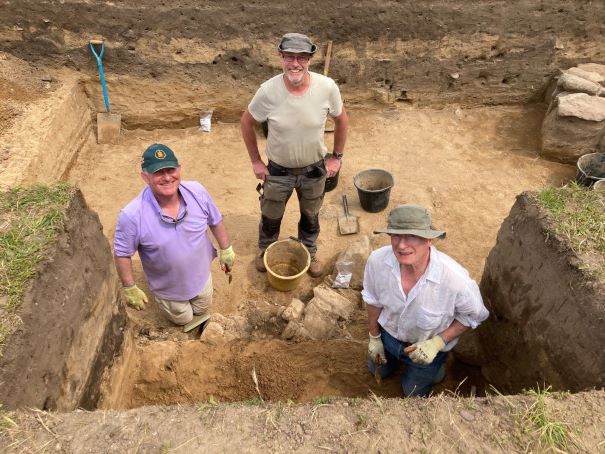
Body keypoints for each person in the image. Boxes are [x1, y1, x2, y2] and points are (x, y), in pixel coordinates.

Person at [240, 32, 349, 277]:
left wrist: (336, 157)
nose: (295, 64)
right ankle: (266, 249)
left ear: (310, 59)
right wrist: (256, 161)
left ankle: (309, 250)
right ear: (280, 56)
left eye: (302, 57)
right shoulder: (268, 91)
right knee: (270, 215)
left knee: (311, 215)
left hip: (314, 171)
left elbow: (342, 120)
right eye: (290, 57)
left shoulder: (326, 88)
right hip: (278, 172)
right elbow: (246, 123)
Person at [363, 204, 489, 397]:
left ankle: (436, 369)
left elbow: (474, 315)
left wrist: (438, 343)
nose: (401, 245)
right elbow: (373, 300)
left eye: (411, 236)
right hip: (387, 337)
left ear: (429, 239)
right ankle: (399, 362)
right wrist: (374, 337)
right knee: (377, 370)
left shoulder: (454, 279)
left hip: (427, 347)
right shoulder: (377, 261)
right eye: (396, 235)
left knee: (412, 393)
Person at [113, 143, 236, 332]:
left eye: (171, 169)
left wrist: (226, 248)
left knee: (202, 307)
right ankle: (177, 312)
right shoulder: (131, 215)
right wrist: (129, 287)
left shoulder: (197, 192)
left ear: (179, 169)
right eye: (158, 173)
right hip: (169, 288)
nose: (167, 177)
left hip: (201, 276)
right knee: (183, 318)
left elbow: (215, 220)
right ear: (145, 177)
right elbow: (122, 254)